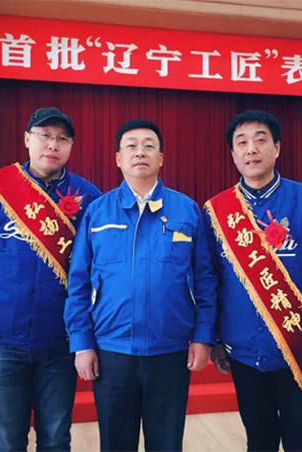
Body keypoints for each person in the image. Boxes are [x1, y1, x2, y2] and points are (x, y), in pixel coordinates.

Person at [0, 107, 101, 452]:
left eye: (62, 138)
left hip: (61, 339)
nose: (53, 145)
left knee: (56, 437)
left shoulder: (89, 197)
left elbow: (99, 270)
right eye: (45, 136)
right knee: (7, 438)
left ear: (71, 146)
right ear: (27, 139)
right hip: (3, 337)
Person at [204, 110, 302, 451]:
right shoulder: (217, 211)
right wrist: (213, 338)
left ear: (277, 148)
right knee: (258, 441)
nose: (251, 149)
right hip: (242, 351)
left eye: (260, 140)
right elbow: (209, 281)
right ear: (232, 154)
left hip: (299, 347)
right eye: (242, 143)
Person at [64, 119, 217, 452]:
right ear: (118, 158)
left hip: (170, 351)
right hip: (112, 350)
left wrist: (203, 336)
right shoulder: (98, 212)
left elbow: (205, 279)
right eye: (131, 146)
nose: (140, 152)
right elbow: (78, 283)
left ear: (161, 158)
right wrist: (82, 343)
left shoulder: (186, 210)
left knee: (166, 443)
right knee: (116, 443)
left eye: (149, 146)